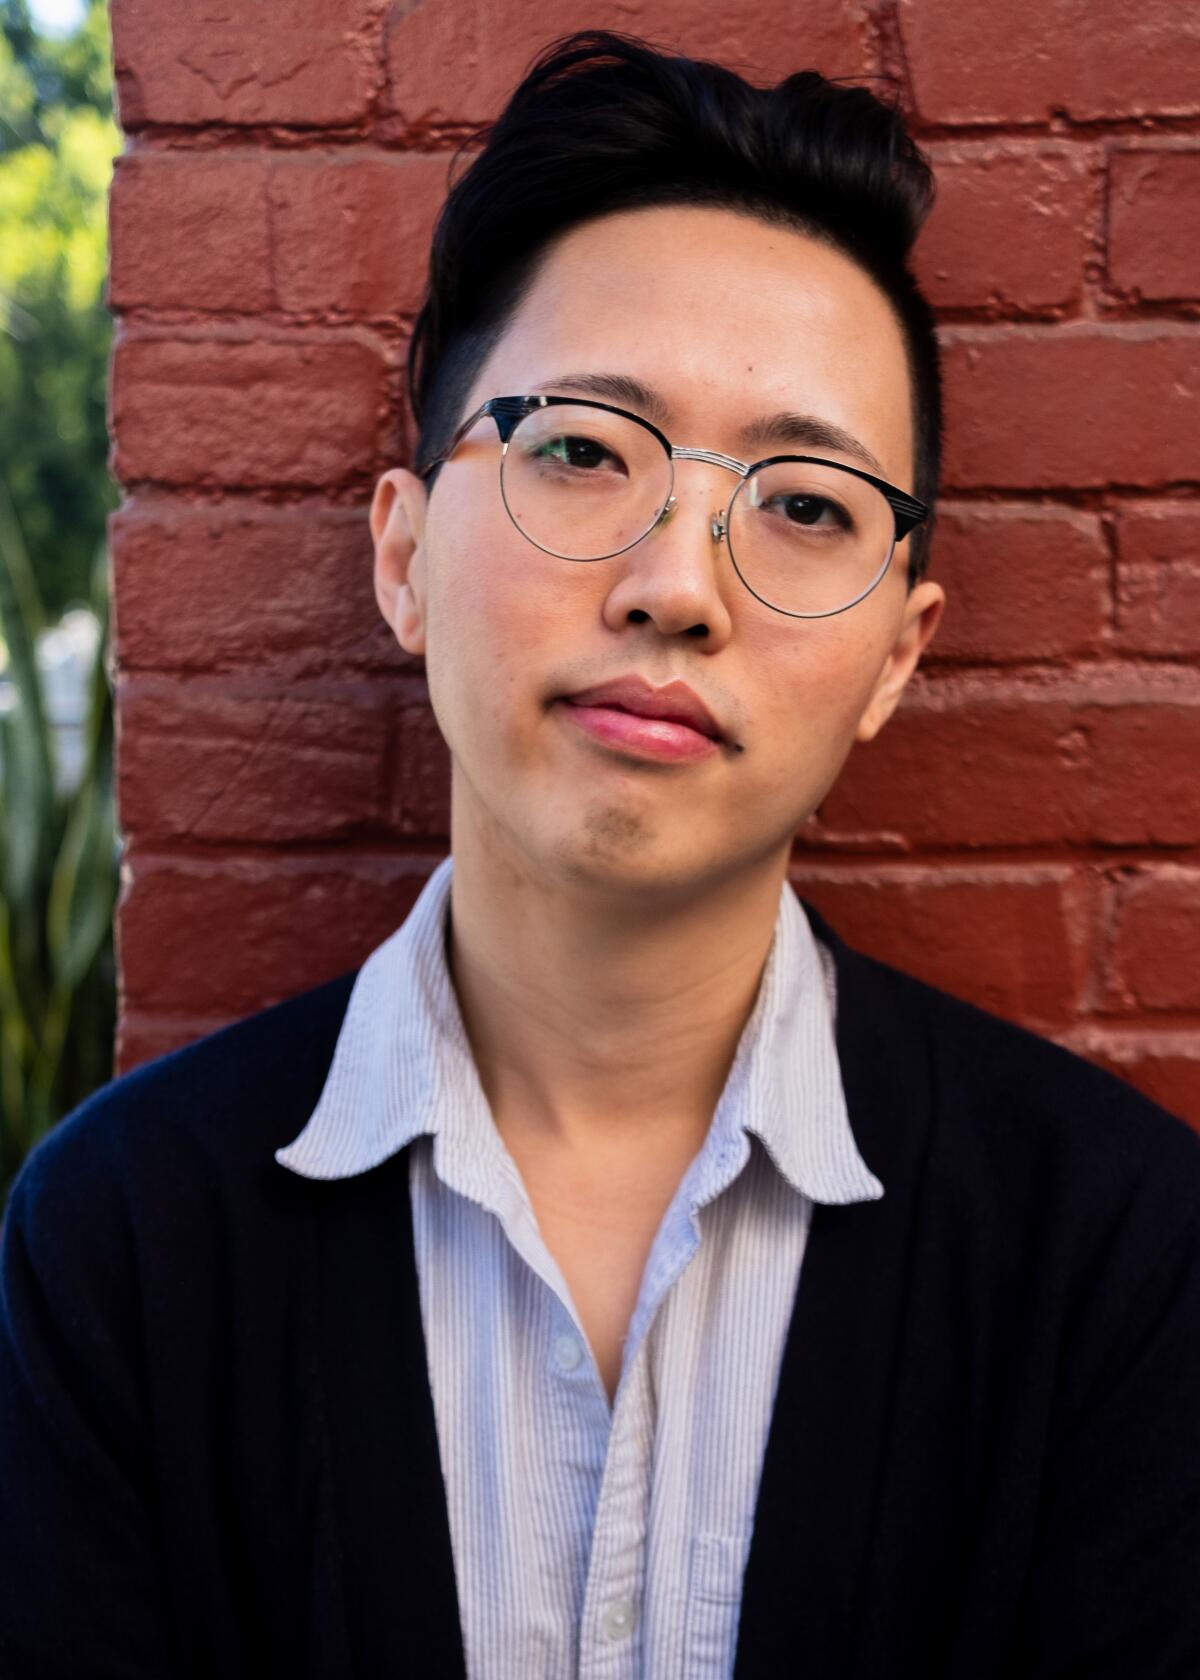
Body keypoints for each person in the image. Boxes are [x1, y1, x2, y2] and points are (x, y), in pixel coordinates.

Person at [1, 30, 1198, 1680]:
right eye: (580, 448)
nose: (676, 587)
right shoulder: (117, 1247)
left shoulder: (1116, 1255)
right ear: (404, 556)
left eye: (805, 503)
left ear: (898, 663)